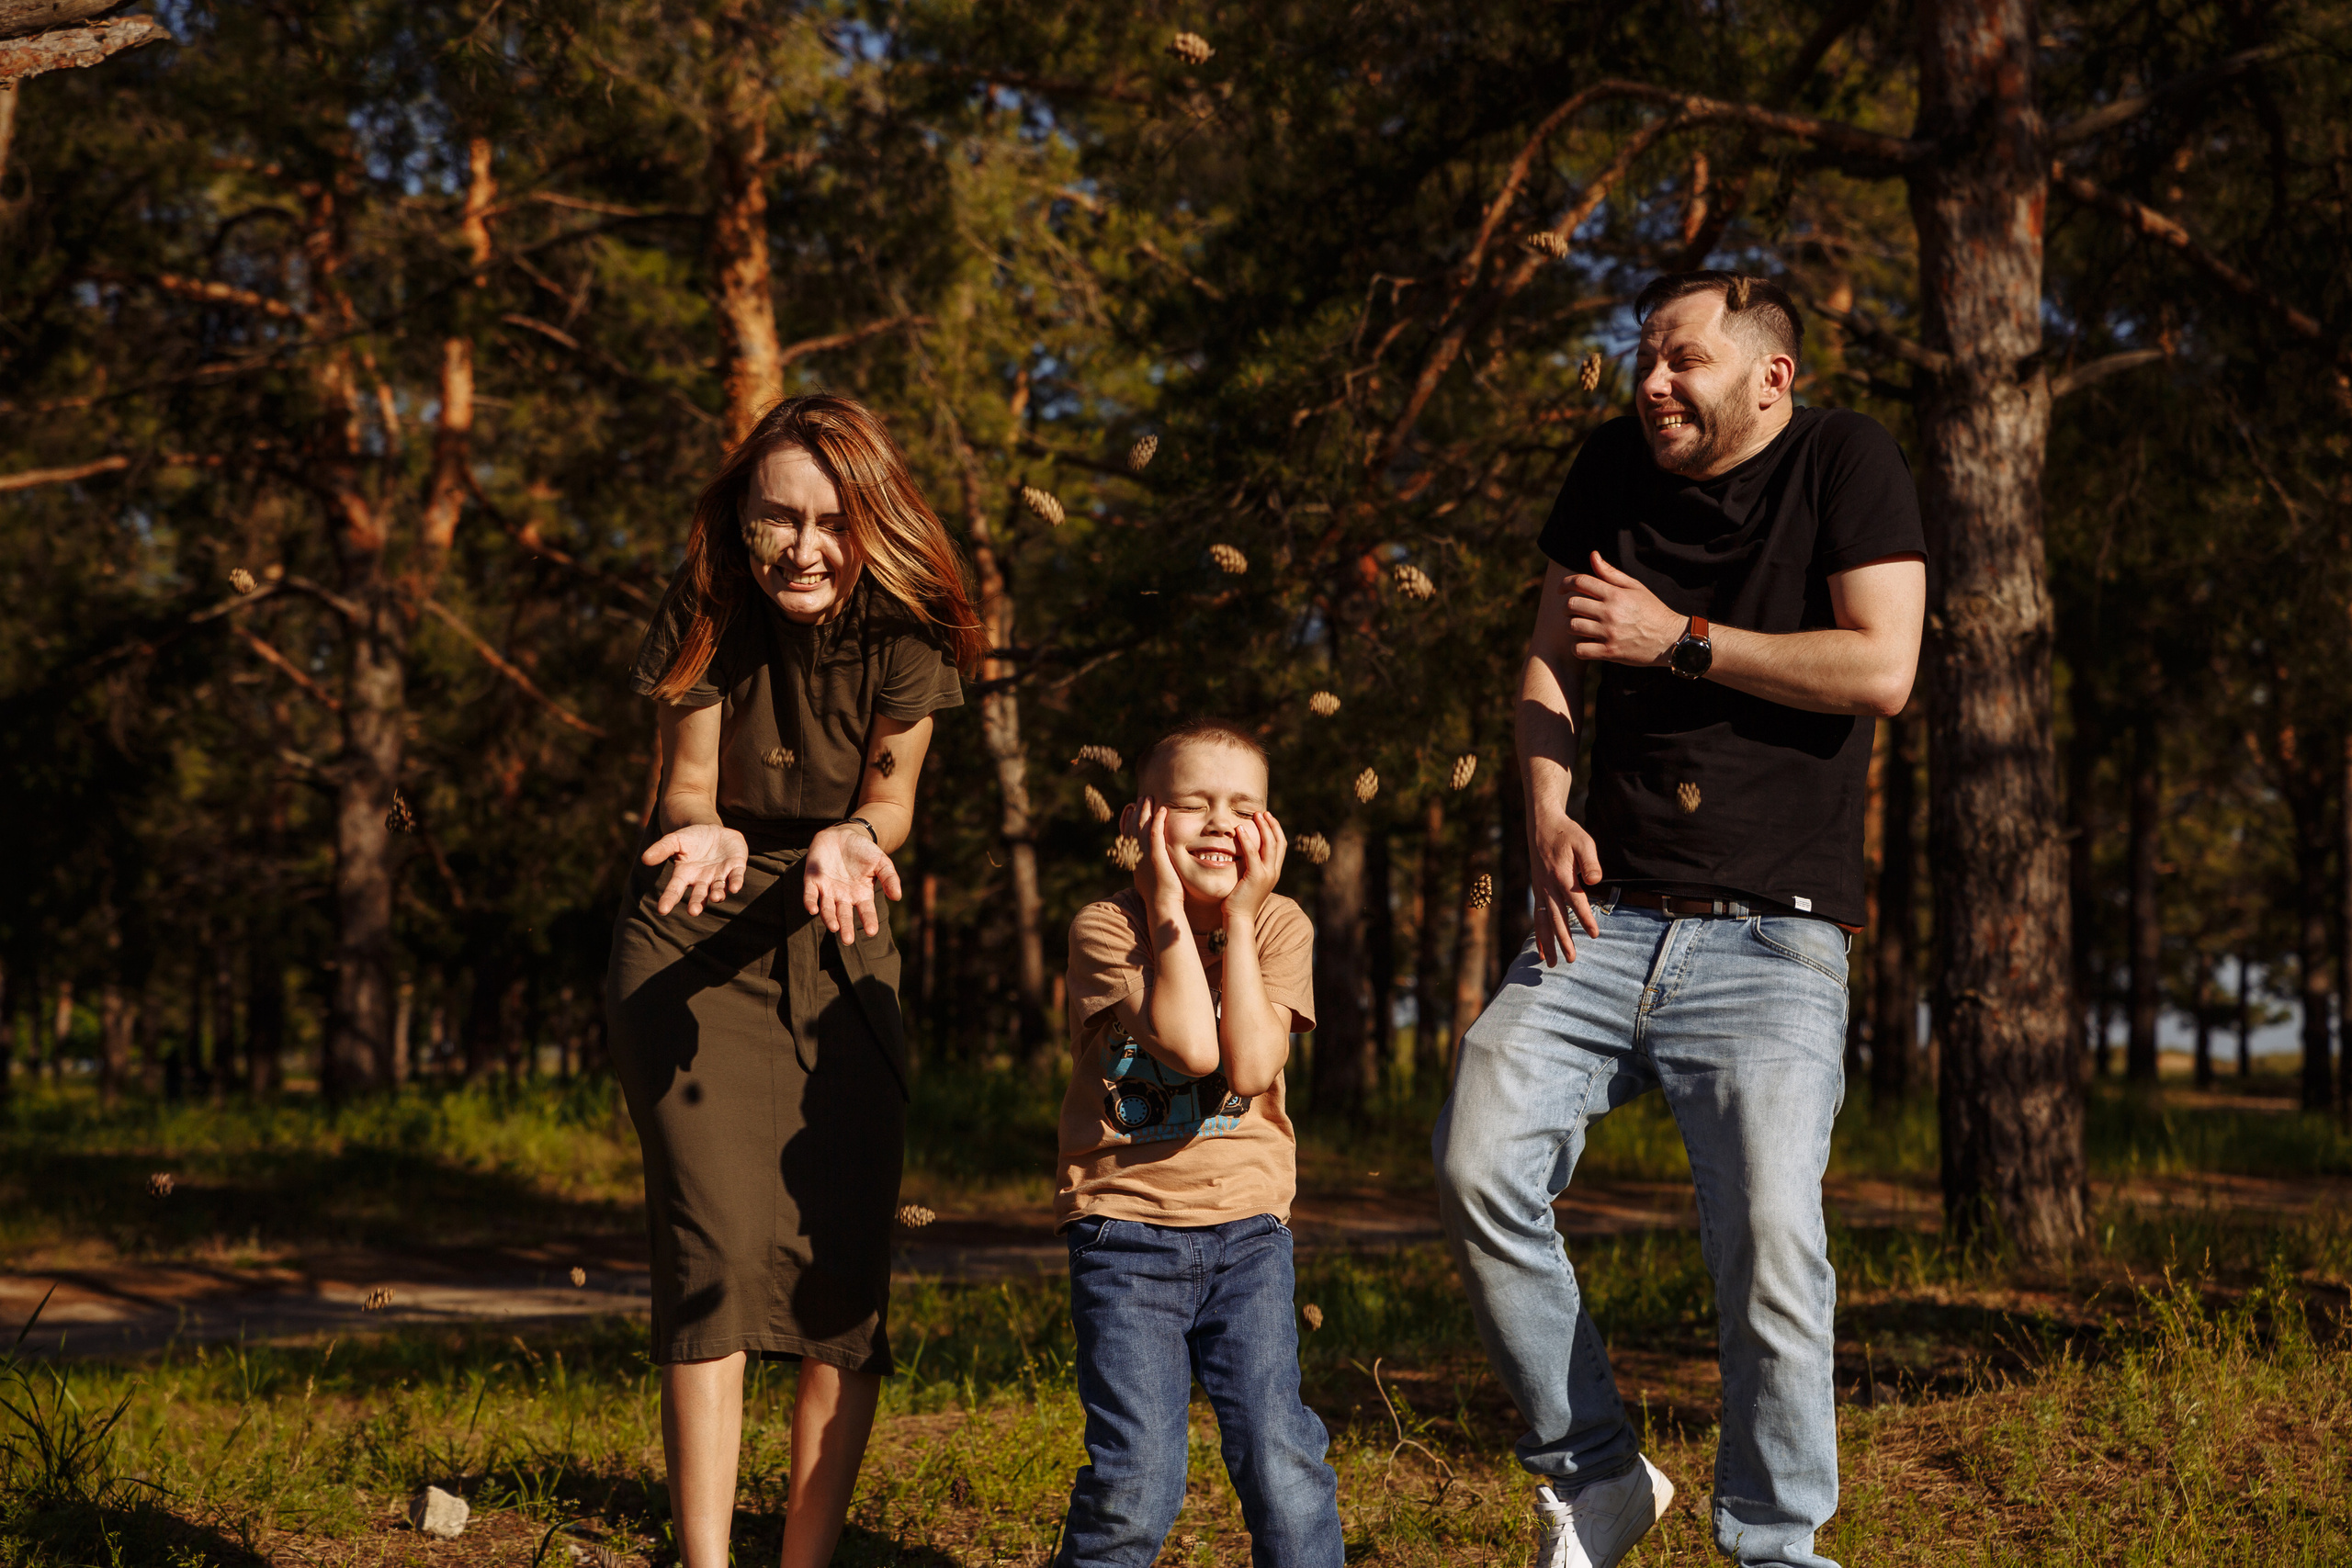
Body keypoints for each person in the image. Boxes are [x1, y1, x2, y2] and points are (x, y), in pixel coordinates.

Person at [1433, 272, 1928, 1568]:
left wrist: (1680, 639)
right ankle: (1595, 1473)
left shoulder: (1844, 458)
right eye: (1642, 356)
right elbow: (1550, 658)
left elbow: (1882, 664)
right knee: (1478, 1161)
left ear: (1770, 375)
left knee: (1768, 1238)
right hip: (1603, 916)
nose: (1650, 381)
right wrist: (1546, 811)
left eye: (1681, 359)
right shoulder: (1610, 468)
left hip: (1775, 932)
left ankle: (1774, 1546)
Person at [605, 394, 984, 1568]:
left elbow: (890, 800)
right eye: (777, 518)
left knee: (839, 1280)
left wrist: (853, 840)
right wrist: (707, 828)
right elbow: (685, 790)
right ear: (742, 519)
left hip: (841, 923)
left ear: (870, 519)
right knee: (714, 1260)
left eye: (830, 521)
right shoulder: (706, 608)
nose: (802, 548)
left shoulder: (909, 628)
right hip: (695, 934)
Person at [1050, 720, 1343, 1568]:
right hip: (1123, 1237)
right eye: (1193, 803)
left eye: (1244, 807)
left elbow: (1247, 1064)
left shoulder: (1279, 923)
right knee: (1137, 1478)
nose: (1220, 822)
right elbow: (1189, 1046)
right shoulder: (1108, 927)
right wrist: (1167, 906)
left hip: (1249, 1234)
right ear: (1140, 821)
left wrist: (1241, 916)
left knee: (1281, 1459)